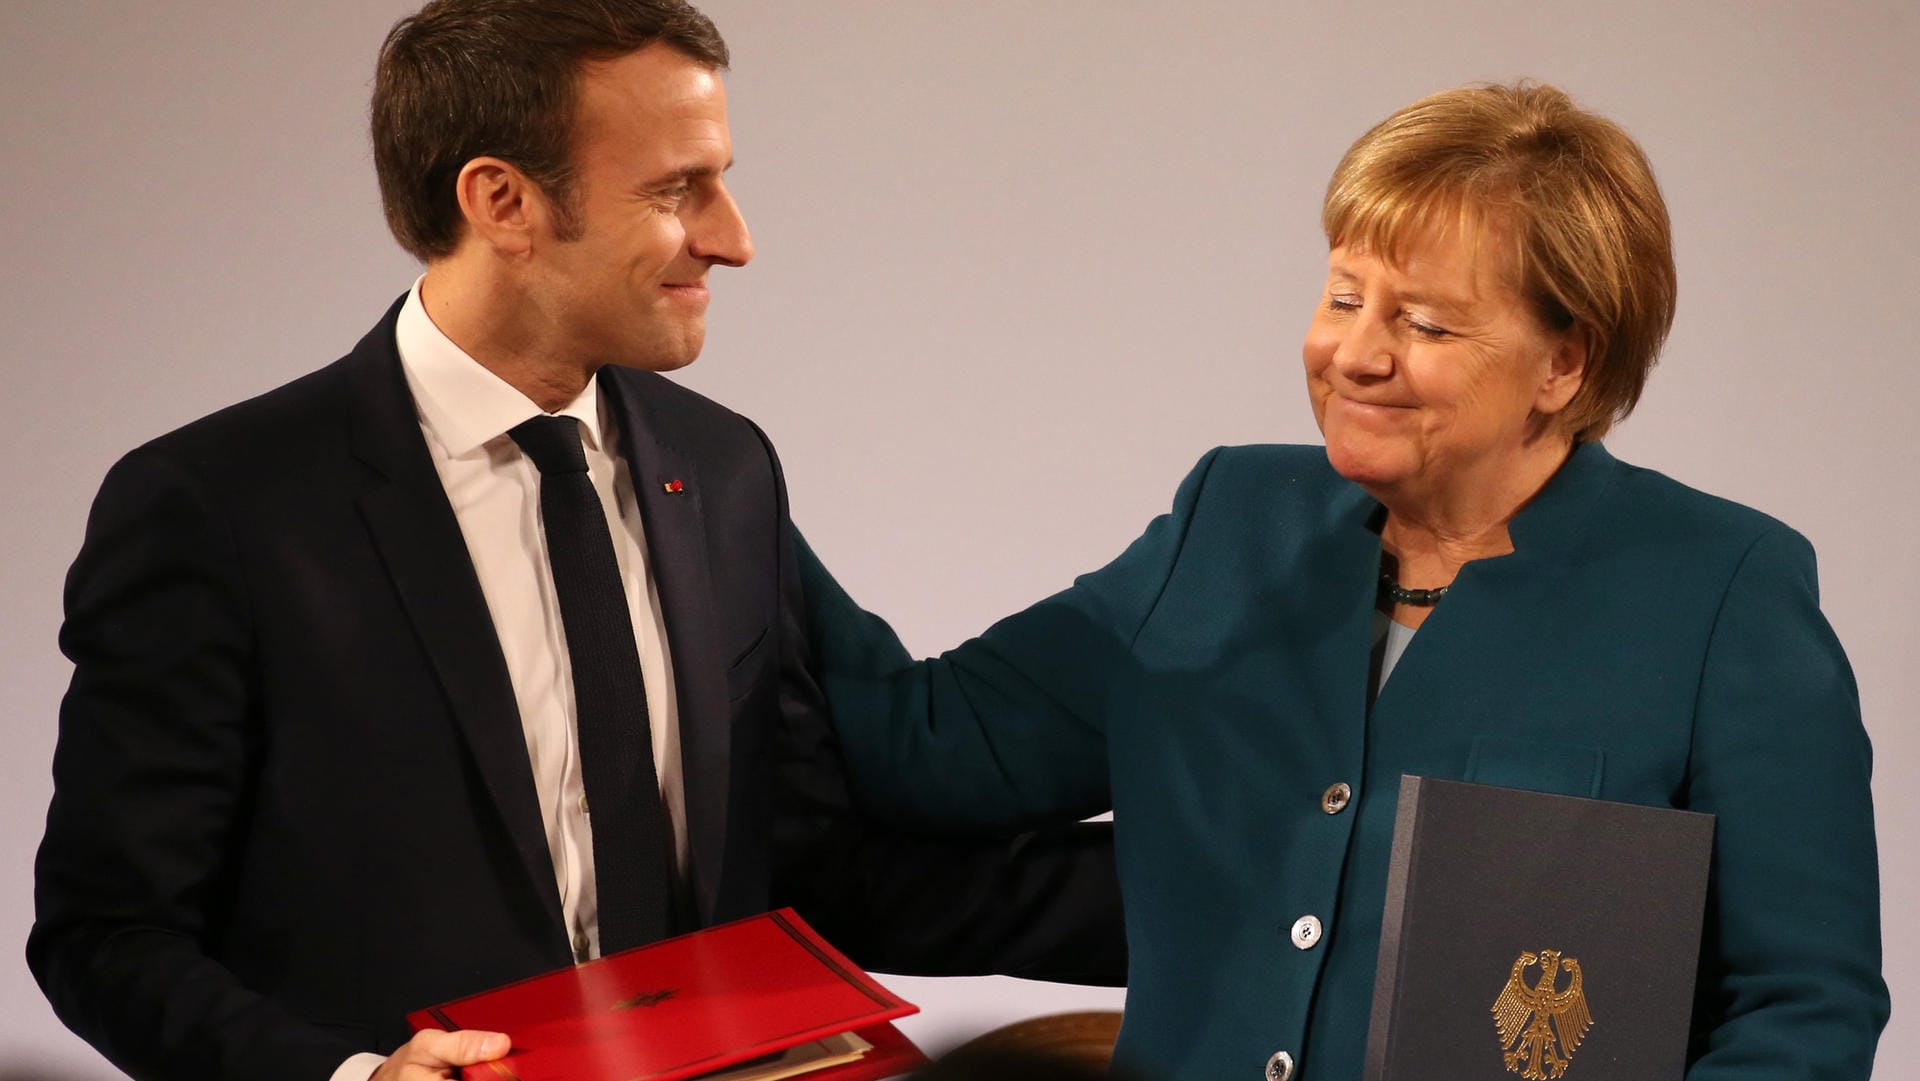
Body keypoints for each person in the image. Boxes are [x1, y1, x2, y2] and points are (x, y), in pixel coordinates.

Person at [28, 4, 1122, 1081]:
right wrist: (356, 1077)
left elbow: (806, 873)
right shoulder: (219, 506)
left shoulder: (726, 470)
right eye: (676, 189)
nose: (734, 239)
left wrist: (1254, 893)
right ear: (503, 201)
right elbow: (108, 935)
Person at [799, 81, 1889, 1081]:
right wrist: (712, 494)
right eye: (1342, 299)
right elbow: (928, 746)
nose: (1355, 355)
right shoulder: (1227, 520)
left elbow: (1803, 1006)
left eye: (1421, 322)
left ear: (1567, 363)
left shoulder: (1723, 591)